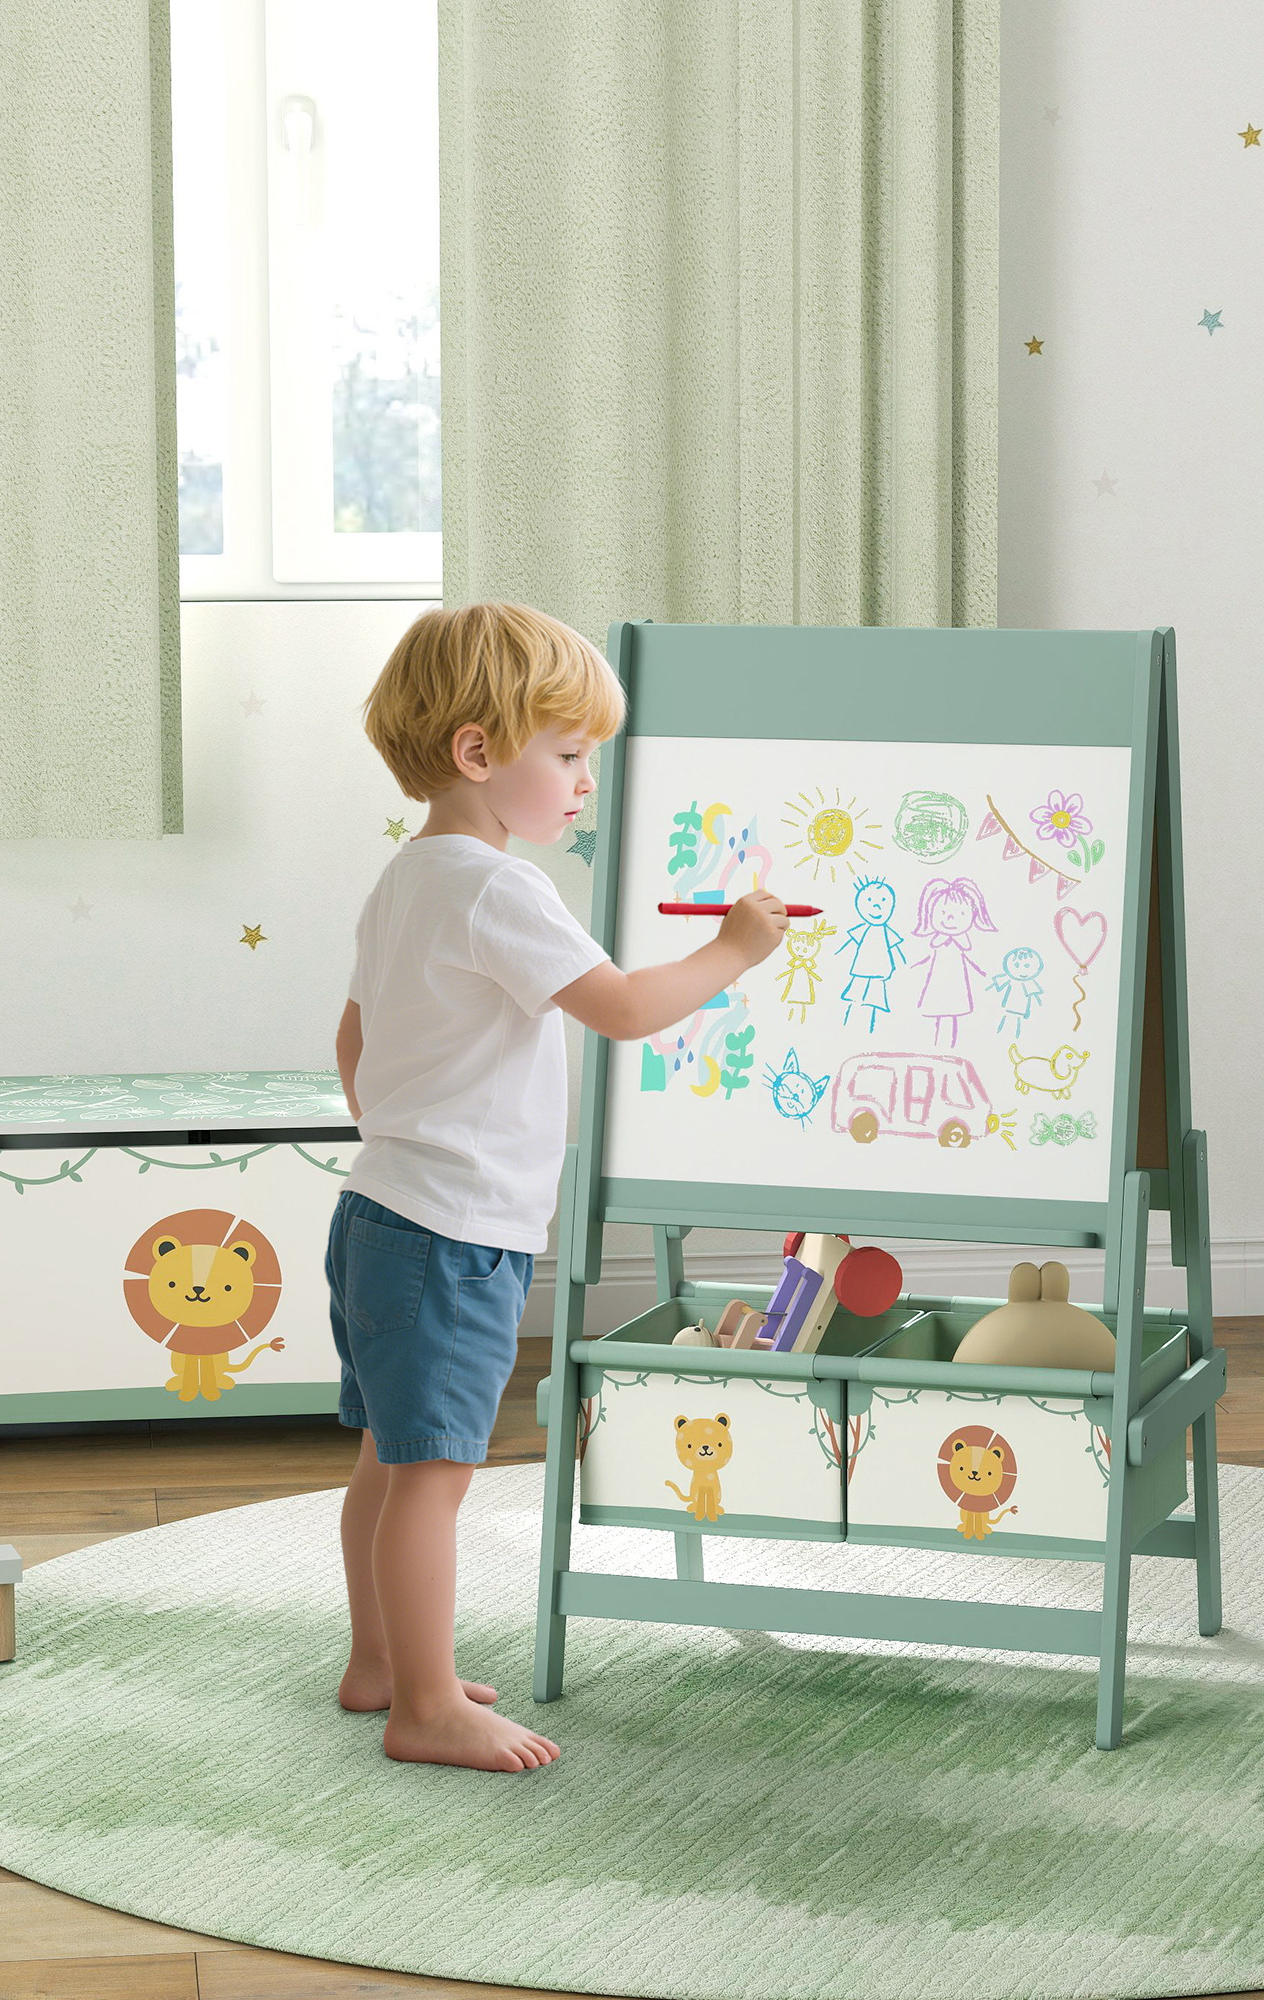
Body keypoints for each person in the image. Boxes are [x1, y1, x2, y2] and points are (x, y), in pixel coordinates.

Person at [330, 602, 786, 1772]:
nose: (586, 779)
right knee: (432, 1479)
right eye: (569, 753)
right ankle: (424, 1707)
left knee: (389, 1456)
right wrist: (733, 950)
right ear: (481, 753)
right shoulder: (500, 889)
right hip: (449, 1232)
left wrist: (399, 1130)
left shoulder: (405, 880)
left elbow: (353, 1038)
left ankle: (381, 1660)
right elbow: (626, 1009)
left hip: (380, 1212)